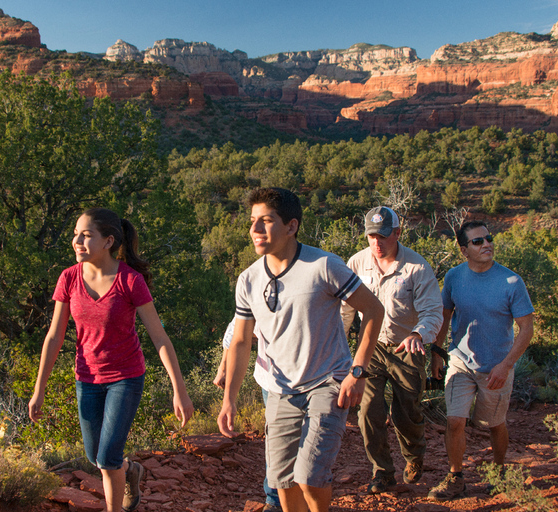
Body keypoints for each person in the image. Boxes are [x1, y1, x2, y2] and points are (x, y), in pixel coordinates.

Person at [218, 188, 384, 512]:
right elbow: (239, 341)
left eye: (266, 221)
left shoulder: (323, 266)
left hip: (328, 382)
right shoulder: (248, 280)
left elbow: (374, 310)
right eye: (253, 221)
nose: (255, 230)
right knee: (282, 482)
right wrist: (229, 400)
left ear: (291, 226)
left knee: (309, 475)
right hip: (279, 390)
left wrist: (358, 371)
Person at [29, 207, 194, 512]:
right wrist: (39, 388)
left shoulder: (130, 281)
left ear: (107, 241)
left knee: (106, 458)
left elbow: (159, 338)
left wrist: (179, 390)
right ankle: (130, 472)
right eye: (75, 234)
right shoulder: (68, 278)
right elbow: (54, 337)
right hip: (87, 379)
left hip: (125, 378)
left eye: (86, 235)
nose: (77, 240)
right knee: (97, 457)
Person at [428, 220, 534, 501]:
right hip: (460, 361)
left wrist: (506, 365)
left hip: (496, 366)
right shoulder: (453, 277)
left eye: (488, 238)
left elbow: (527, 329)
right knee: (454, 421)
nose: (487, 244)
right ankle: (455, 478)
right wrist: (437, 356)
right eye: (478, 241)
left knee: (493, 425)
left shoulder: (511, 281)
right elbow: (445, 316)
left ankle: (498, 473)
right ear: (464, 250)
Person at [341, 206, 444, 494]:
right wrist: (339, 347)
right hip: (369, 348)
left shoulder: (416, 267)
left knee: (406, 413)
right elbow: (345, 310)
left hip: (406, 348)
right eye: (372, 236)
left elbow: (434, 312)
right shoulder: (357, 263)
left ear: (397, 233)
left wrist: (418, 334)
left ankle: (414, 456)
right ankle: (382, 472)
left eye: (383, 236)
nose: (377, 242)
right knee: (368, 412)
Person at [214, 317, 281, 512]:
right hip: (272, 379)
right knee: (276, 440)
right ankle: (275, 499)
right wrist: (224, 367)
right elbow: (237, 329)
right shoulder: (254, 286)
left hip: (313, 378)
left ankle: (306, 493)